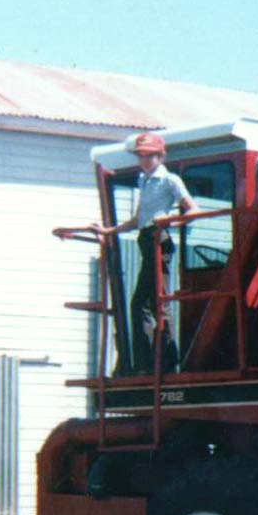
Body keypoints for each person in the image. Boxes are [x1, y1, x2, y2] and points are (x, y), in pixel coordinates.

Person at [92, 132, 196, 374]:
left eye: (149, 156)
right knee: (148, 302)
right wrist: (110, 230)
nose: (145, 161)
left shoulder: (170, 180)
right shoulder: (145, 181)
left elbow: (192, 209)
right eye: (141, 156)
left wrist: (169, 221)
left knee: (150, 302)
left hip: (159, 239)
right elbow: (139, 218)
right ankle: (153, 361)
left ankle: (158, 363)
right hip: (147, 239)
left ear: (160, 156)